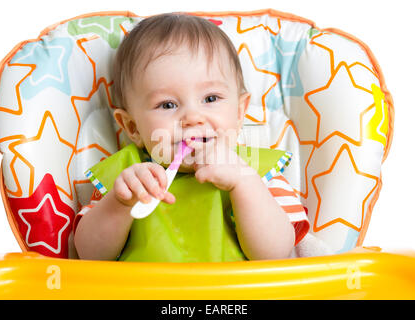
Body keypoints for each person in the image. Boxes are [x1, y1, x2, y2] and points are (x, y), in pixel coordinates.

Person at [73, 13, 310, 262]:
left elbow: (275, 254)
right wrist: (119, 204)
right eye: (167, 105)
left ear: (239, 113)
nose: (192, 118)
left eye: (210, 99)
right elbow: (89, 256)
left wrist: (243, 183)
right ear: (132, 127)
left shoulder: (259, 172)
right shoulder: (126, 179)